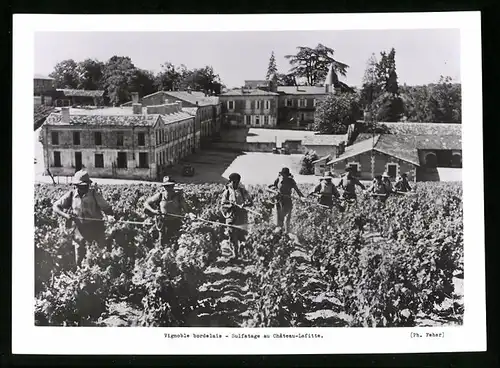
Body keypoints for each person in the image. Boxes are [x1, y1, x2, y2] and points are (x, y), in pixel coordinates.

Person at [52, 170, 114, 268]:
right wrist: (65, 215)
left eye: (86, 186)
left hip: (96, 229)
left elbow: (107, 208)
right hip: (79, 230)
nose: (84, 188)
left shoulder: (94, 194)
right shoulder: (72, 195)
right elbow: (55, 206)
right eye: (81, 186)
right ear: (76, 185)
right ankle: (80, 274)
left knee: (99, 256)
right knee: (79, 256)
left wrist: (110, 216)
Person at [144, 176, 195, 247]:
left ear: (173, 186)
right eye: (166, 186)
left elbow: (187, 210)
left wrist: (190, 214)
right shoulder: (160, 196)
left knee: (175, 244)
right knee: (162, 245)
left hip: (175, 223)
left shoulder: (178, 197)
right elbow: (146, 203)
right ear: (164, 187)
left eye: (170, 186)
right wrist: (154, 211)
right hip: (163, 224)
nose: (168, 188)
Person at [220, 173, 253, 260]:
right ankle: (235, 254)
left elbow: (250, 202)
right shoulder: (227, 192)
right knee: (232, 235)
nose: (235, 184)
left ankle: (243, 252)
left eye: (237, 182)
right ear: (230, 181)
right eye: (233, 182)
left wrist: (244, 205)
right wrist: (230, 206)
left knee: (242, 235)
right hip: (231, 216)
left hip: (242, 216)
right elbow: (223, 205)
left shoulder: (242, 191)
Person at [268, 167, 304, 233]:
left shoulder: (291, 181)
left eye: (285, 175)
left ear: (287, 175)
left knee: (287, 217)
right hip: (279, 200)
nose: (283, 177)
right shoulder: (278, 179)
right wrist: (275, 191)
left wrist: (302, 197)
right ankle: (279, 232)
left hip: (288, 200)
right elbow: (272, 187)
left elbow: (297, 190)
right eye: (282, 175)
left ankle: (287, 232)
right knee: (280, 218)